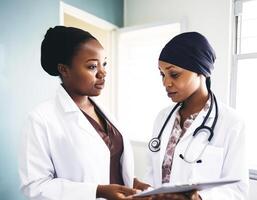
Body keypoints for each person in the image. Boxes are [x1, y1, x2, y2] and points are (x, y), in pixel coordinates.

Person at [18, 26, 149, 200]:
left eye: (104, 64)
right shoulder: (41, 118)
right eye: (92, 66)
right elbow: (34, 186)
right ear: (64, 70)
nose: (102, 72)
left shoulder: (105, 112)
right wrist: (97, 191)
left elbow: (107, 164)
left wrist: (131, 183)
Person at [144, 32, 249, 199]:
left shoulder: (232, 122)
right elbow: (152, 175)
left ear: (201, 71)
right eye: (162, 74)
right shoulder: (162, 118)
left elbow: (238, 191)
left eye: (174, 74)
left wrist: (197, 198)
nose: (166, 83)